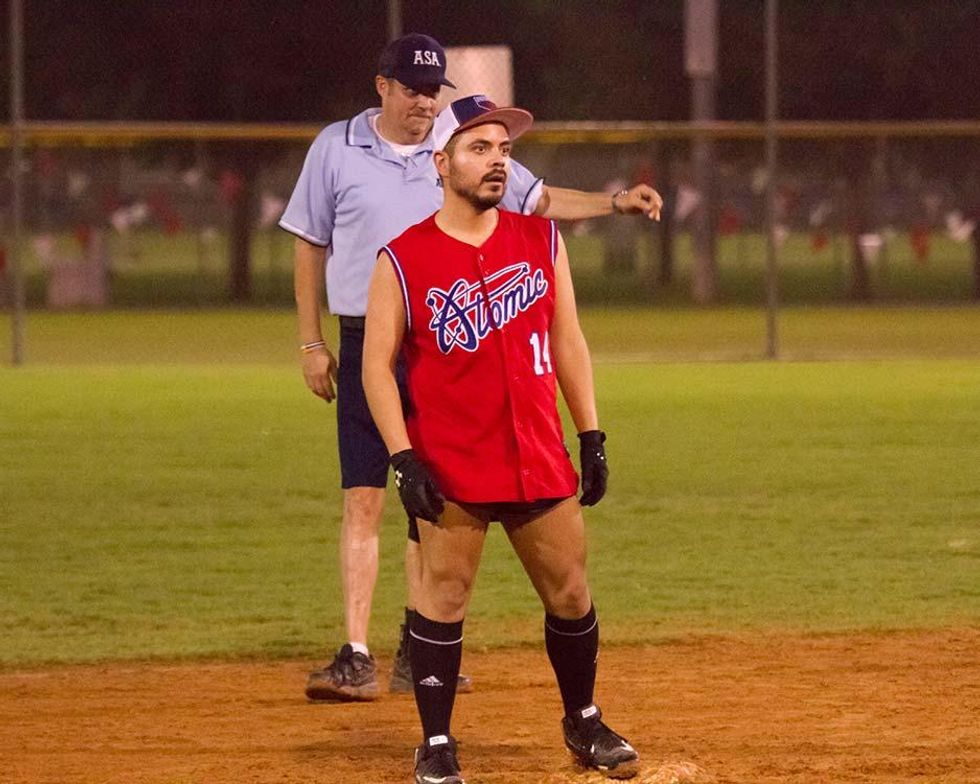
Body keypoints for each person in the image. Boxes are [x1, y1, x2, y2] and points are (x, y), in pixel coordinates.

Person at [279, 32, 663, 703]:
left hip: (443, 346)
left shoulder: (468, 143)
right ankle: (356, 650)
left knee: (426, 506)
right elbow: (310, 244)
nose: (424, 99)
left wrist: (614, 203)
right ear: (383, 86)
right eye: (412, 86)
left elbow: (539, 202)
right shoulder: (339, 148)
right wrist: (311, 341)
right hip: (368, 331)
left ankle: (414, 645)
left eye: (433, 88)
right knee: (365, 493)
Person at [362, 96, 640, 782]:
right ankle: (435, 745)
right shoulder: (403, 258)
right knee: (444, 599)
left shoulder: (541, 242)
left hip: (538, 450)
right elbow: (374, 366)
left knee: (571, 593)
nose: (495, 162)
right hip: (452, 462)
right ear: (442, 162)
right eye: (478, 148)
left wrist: (592, 433)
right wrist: (402, 457)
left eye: (503, 151)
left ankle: (583, 721)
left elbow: (567, 340)